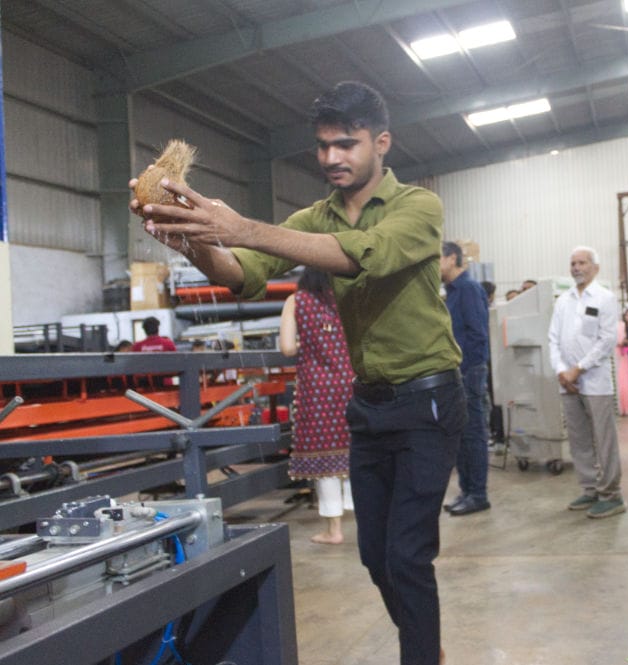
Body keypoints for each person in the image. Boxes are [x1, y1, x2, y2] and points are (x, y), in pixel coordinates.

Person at [132, 81, 464, 665]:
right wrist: (193, 237)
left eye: (347, 144)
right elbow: (244, 273)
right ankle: (424, 644)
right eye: (323, 146)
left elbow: (364, 255)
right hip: (368, 405)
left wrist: (240, 227)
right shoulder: (317, 215)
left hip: (426, 402)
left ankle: (419, 656)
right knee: (375, 558)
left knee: (408, 555)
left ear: (381, 143)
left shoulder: (419, 206)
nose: (332, 158)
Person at [547, 246, 626, 519]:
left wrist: (577, 370)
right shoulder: (563, 301)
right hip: (567, 382)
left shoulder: (605, 298)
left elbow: (607, 340)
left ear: (595, 267)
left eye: (582, 263)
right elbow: (553, 339)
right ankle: (590, 487)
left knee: (604, 439)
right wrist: (561, 370)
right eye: (573, 263)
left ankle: (612, 494)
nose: (576, 267)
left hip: (594, 381)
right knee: (579, 438)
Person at [279, 267, 355, 544]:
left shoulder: (295, 301)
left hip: (316, 387)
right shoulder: (348, 298)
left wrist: (310, 344)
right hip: (350, 382)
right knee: (354, 450)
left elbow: (287, 347)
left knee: (323, 454)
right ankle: (364, 517)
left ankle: (334, 530)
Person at [440, 241, 491, 516]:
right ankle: (467, 490)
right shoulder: (451, 293)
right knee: (460, 435)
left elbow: (477, 335)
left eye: (437, 258)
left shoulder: (469, 289)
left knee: (473, 435)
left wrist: (466, 370)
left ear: (451, 258)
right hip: (458, 372)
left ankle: (479, 494)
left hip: (469, 371)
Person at [614, 317, 628, 417]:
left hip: (622, 354)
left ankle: (624, 407)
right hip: (615, 353)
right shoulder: (612, 323)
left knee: (624, 381)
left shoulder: (622, 324)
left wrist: (624, 343)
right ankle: (620, 407)